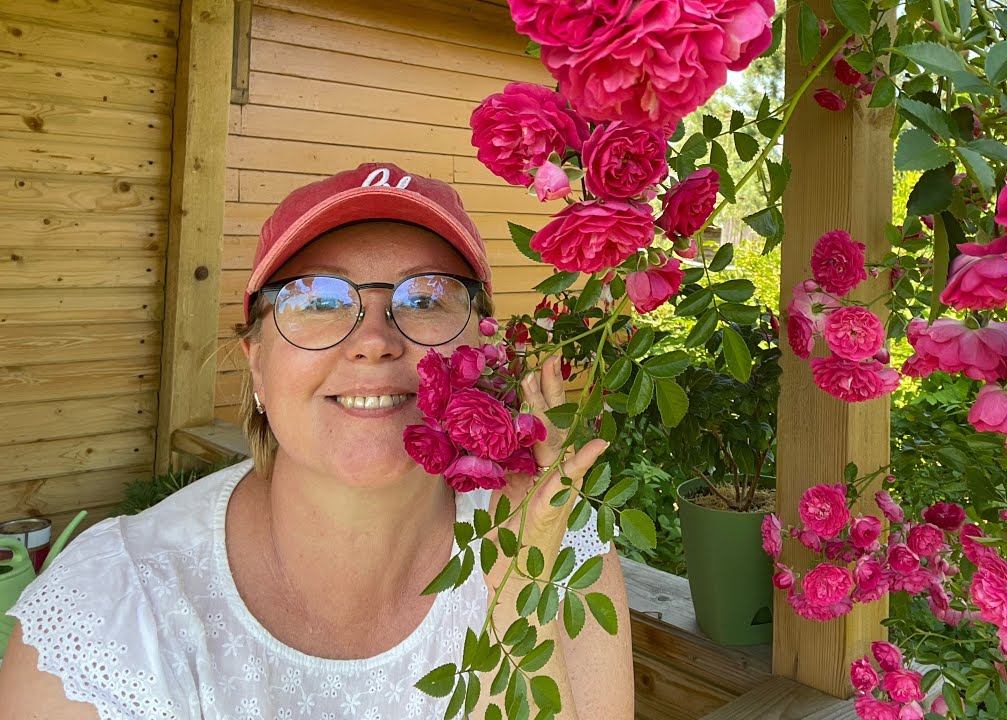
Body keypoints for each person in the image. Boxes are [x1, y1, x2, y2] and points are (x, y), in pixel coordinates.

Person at [0, 163, 635, 719]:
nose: (375, 339)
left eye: (426, 296)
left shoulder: (553, 548)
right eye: (318, 298)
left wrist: (518, 588)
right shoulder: (109, 612)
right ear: (255, 361)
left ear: (485, 349)